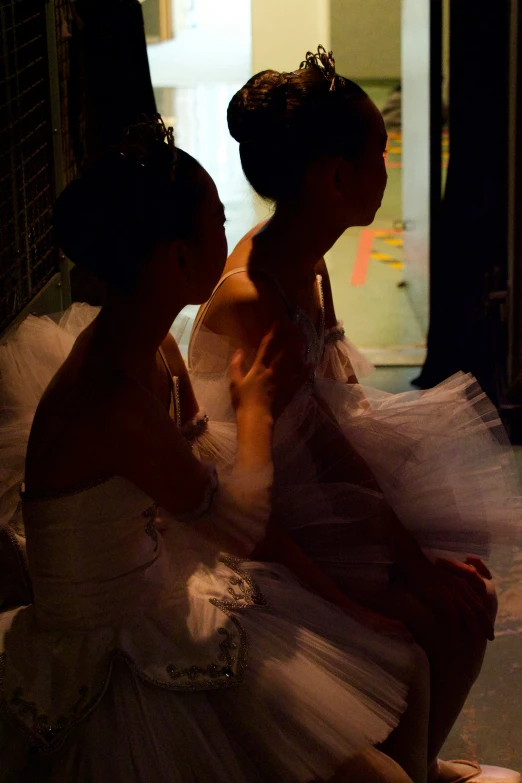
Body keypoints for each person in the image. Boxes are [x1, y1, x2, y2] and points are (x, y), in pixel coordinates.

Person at [0, 117, 429, 783]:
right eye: (217, 221)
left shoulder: (152, 343)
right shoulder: (111, 396)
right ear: (175, 256)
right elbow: (234, 518)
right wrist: (254, 405)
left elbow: (207, 465)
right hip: (110, 656)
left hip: (159, 594)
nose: (229, 238)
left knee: (401, 673)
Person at [188, 48, 522, 783]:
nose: (387, 166)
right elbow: (308, 450)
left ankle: (418, 758)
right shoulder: (253, 293)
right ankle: (401, 764)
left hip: (315, 499)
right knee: (433, 616)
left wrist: (412, 550)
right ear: (335, 177)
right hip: (259, 523)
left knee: (469, 595)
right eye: (377, 152)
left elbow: (339, 417)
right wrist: (404, 558)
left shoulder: (310, 262)